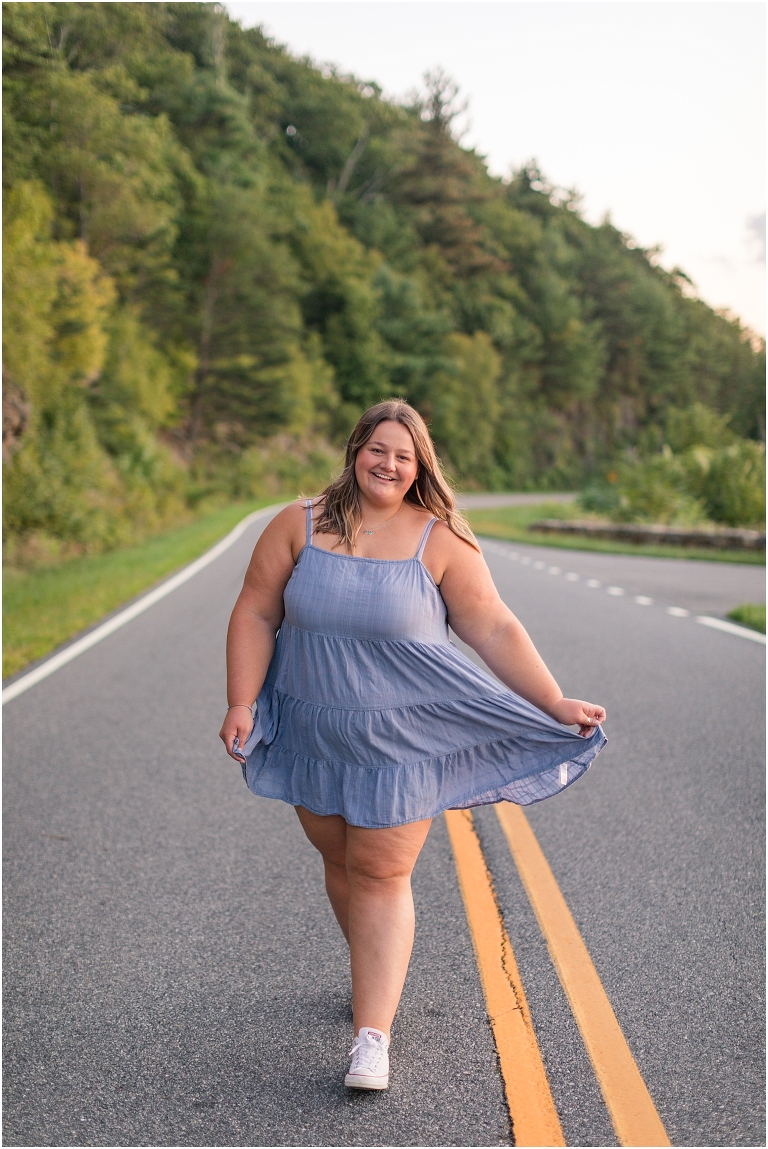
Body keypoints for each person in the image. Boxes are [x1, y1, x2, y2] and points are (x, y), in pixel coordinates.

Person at [220, 399, 606, 1091]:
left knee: (378, 872)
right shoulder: (297, 524)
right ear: (355, 449)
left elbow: (493, 628)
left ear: (420, 464)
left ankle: (373, 1037)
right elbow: (254, 608)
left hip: (401, 741)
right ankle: (373, 974)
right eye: (378, 448)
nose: (388, 463)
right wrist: (242, 701)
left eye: (404, 454)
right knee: (338, 858)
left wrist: (553, 700)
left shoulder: (439, 539)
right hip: (311, 730)